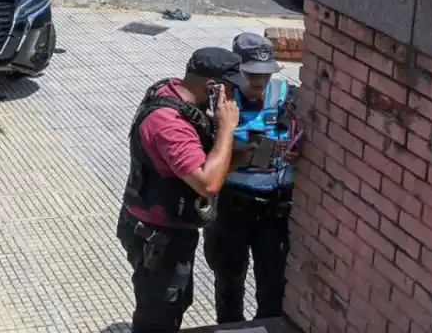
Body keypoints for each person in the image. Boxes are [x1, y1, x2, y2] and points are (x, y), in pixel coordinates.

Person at [117, 47, 243, 333]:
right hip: (158, 236)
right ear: (213, 86)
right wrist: (226, 129)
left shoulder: (175, 93)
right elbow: (208, 184)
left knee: (175, 302)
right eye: (231, 88)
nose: (233, 97)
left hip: (159, 229)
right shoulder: (169, 123)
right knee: (158, 317)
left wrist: (241, 157)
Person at [202, 33, 302, 324]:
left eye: (266, 74)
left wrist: (296, 151)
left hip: (273, 209)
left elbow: (303, 134)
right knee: (228, 282)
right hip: (232, 206)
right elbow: (201, 157)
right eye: (252, 74)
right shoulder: (217, 100)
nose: (260, 81)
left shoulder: (288, 95)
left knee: (273, 287)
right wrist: (240, 154)